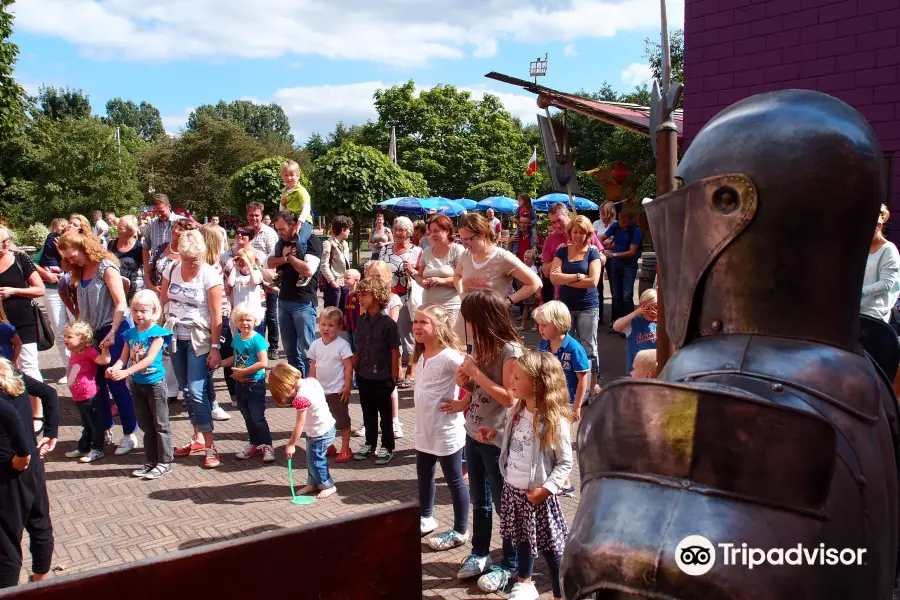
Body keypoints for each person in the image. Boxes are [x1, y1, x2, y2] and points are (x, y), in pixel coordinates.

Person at [479, 351, 573, 600]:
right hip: (513, 489)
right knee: (521, 539)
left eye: (517, 378)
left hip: (538, 496)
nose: (511, 382)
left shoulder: (554, 421)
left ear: (538, 385)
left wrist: (547, 489)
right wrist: (495, 436)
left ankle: (560, 593)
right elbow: (514, 445)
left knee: (551, 548)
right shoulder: (516, 412)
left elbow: (565, 463)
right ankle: (525, 582)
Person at [449, 289, 520, 591]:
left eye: (469, 319)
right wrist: (462, 381)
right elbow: (474, 386)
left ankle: (510, 562)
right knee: (480, 500)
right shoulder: (480, 344)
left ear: (483, 319)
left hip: (496, 439)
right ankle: (480, 552)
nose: (467, 325)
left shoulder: (511, 351)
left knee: (504, 504)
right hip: (473, 431)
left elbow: (510, 398)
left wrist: (475, 374)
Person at [57, 229, 138, 455]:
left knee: (117, 383)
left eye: (73, 255)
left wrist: (112, 332)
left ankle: (130, 433)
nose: (71, 260)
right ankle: (103, 430)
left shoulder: (106, 266)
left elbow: (121, 303)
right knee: (97, 385)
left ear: (84, 248)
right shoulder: (79, 270)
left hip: (113, 328)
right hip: (92, 333)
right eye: (67, 258)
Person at [161, 230, 224, 469]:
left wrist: (216, 347)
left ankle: (210, 445)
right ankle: (197, 437)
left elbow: (217, 313)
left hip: (199, 339)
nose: (191, 263)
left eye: (195, 258)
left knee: (197, 391)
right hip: (175, 336)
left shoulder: (209, 274)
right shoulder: (171, 269)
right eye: (187, 259)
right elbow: (163, 301)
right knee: (186, 390)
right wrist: (157, 334)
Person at [413, 304, 470, 552]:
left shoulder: (449, 356)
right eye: (415, 322)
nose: (416, 326)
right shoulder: (422, 354)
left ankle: (461, 529)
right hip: (424, 428)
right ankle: (426, 516)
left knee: (454, 478)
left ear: (438, 327)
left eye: (423, 322)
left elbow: (472, 377)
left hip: (446, 429)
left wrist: (462, 403)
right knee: (424, 474)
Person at [106, 290, 174, 480]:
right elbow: (122, 358)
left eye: (143, 311)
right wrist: (114, 368)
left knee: (161, 424)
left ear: (154, 311)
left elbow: (150, 359)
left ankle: (165, 462)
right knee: (146, 425)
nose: (138, 315)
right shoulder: (129, 334)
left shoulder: (158, 334)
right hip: (137, 385)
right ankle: (151, 461)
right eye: (135, 310)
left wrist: (126, 372)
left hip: (155, 384)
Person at [0, 358, 55, 589]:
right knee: (39, 521)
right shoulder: (11, 372)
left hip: (10, 470)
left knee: (5, 540)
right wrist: (51, 432)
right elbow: (49, 393)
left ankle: (9, 592)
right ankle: (40, 580)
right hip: (31, 465)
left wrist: (22, 455)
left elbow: (10, 415)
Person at [454, 213, 542, 339]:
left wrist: (507, 302)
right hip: (465, 322)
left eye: (468, 239)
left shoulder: (503, 257)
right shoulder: (466, 255)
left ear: (483, 234)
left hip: (491, 324)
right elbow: (457, 275)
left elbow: (534, 282)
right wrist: (462, 295)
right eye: (462, 239)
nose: (465, 244)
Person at [549, 215, 603, 393]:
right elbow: (552, 276)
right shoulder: (562, 251)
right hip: (565, 307)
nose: (578, 235)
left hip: (588, 306)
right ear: (570, 232)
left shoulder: (593, 252)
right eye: (575, 231)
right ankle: (566, 386)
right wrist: (579, 276)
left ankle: (589, 388)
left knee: (589, 348)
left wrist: (565, 279)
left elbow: (593, 281)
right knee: (563, 345)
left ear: (588, 233)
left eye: (582, 232)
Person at [0, 227, 47, 433]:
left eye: (7, 241)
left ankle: (37, 413)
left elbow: (40, 289)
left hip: (23, 322)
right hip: (2, 326)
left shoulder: (21, 259)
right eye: (1, 242)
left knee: (28, 366)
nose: (5, 245)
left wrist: (14, 291)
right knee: (4, 368)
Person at [269, 210, 323, 376]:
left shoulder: (312, 241)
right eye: (277, 230)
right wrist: (285, 258)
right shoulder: (281, 243)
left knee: (308, 351)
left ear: (293, 225)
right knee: (291, 352)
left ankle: (311, 385)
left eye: (282, 229)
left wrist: (290, 258)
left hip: (303, 302)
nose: (279, 233)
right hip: (283, 301)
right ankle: (297, 384)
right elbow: (270, 262)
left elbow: (307, 270)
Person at [353, 277, 400, 465]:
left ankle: (387, 446)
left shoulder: (389, 324)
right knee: (367, 413)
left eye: (365, 295)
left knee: (385, 415)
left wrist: (394, 376)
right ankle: (369, 443)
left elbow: (395, 352)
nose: (360, 298)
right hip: (364, 375)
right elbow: (359, 347)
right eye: (359, 294)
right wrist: (353, 368)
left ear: (377, 296)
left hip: (383, 377)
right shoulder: (361, 321)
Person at [273, 364, 337, 500]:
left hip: (320, 432)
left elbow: (299, 424)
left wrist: (291, 444)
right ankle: (313, 483)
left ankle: (328, 485)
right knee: (310, 459)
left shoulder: (301, 398)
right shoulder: (311, 381)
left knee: (316, 462)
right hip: (320, 428)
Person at [220, 301, 272, 463]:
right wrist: (220, 363)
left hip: (255, 385)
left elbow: (264, 363)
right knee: (248, 418)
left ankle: (267, 446)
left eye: (248, 320)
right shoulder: (236, 339)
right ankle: (254, 444)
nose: (245, 323)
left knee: (258, 417)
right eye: (241, 320)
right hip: (240, 385)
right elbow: (235, 358)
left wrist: (243, 372)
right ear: (236, 321)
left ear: (255, 321)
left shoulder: (258, 340)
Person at [379, 216, 423, 387]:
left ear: (409, 233)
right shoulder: (385, 249)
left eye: (402, 230)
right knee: (391, 336)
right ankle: (397, 371)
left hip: (407, 299)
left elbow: (421, 275)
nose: (398, 232)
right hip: (387, 298)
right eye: (396, 229)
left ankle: (412, 371)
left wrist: (412, 271)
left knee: (408, 336)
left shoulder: (417, 251)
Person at [60, 320, 112, 463]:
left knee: (95, 424)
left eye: (69, 337)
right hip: (78, 396)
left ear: (82, 339)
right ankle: (83, 447)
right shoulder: (74, 352)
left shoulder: (88, 352)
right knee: (86, 423)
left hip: (88, 395)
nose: (65, 339)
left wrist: (105, 348)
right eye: (65, 336)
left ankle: (98, 449)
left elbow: (104, 360)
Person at [308, 307, 353, 463]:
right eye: (323, 324)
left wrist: (347, 386)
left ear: (340, 327)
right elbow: (313, 365)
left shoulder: (342, 345)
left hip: (337, 390)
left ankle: (345, 448)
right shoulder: (315, 344)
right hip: (321, 391)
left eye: (331, 325)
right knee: (324, 421)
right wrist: (310, 384)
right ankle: (329, 445)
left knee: (342, 421)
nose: (326, 328)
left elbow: (348, 367)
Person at [534, 301, 589, 423]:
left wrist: (577, 406)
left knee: (562, 438)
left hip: (566, 404)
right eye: (539, 324)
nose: (540, 329)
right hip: (546, 400)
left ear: (559, 324)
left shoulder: (574, 348)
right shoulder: (542, 346)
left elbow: (582, 379)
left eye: (544, 325)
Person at [541, 203, 602, 303]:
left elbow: (603, 258)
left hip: (587, 297)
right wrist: (560, 256)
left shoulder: (585, 232)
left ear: (568, 215)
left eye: (559, 220)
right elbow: (546, 271)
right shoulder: (550, 240)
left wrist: (595, 255)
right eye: (553, 222)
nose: (557, 225)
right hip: (563, 296)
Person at [413, 215, 464, 328]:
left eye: (436, 231)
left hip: (450, 306)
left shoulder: (457, 250)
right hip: (428, 308)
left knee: (449, 342)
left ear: (447, 231)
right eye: (431, 231)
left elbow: (463, 278)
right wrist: (422, 282)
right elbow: (419, 275)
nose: (433, 234)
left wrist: (442, 281)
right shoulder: (426, 251)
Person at [246, 202, 281, 360]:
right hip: (250, 281)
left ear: (261, 215)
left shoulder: (269, 233)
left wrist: (270, 279)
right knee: (254, 315)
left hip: (267, 279)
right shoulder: (245, 232)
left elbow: (273, 258)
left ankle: (273, 346)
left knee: (271, 315)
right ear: (247, 215)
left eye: (257, 215)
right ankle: (257, 346)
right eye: (251, 215)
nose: (254, 218)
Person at [599, 205, 642, 326]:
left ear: (630, 221)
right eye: (620, 222)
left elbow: (632, 252)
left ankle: (629, 323)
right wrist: (602, 248)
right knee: (616, 294)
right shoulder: (615, 226)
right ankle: (616, 322)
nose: (622, 225)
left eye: (625, 223)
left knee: (627, 295)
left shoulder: (635, 230)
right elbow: (602, 238)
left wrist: (614, 254)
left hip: (629, 265)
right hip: (616, 264)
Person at [38, 218, 71, 375]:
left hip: (73, 291)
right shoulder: (49, 243)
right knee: (59, 331)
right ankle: (69, 368)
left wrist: (62, 252)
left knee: (79, 329)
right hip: (53, 290)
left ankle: (82, 367)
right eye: (57, 230)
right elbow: (32, 263)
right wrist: (46, 274)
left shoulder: (74, 245)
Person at [861, 204, 900, 322]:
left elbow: (886, 283)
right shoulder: (859, 248)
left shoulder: (888, 250)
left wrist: (858, 291)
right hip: (852, 310)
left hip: (874, 314)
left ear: (880, 225)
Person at [141, 193, 185, 294]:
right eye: (155, 212)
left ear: (169, 207)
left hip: (178, 275)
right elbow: (145, 247)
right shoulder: (152, 224)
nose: (159, 215)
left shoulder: (182, 223)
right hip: (156, 277)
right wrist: (147, 272)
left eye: (161, 211)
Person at [613, 288, 658, 375]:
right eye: (647, 308)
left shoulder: (663, 323)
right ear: (640, 305)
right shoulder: (634, 322)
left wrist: (660, 318)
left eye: (655, 308)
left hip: (656, 369)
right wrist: (635, 313)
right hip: (636, 371)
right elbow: (616, 327)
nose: (651, 312)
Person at [107, 214, 144, 301]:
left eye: (120, 228)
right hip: (113, 291)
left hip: (133, 294)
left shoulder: (140, 248)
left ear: (130, 231)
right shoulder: (111, 244)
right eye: (117, 227)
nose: (117, 229)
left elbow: (145, 271)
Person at [592, 201, 616, 324]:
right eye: (600, 210)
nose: (601, 212)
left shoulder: (616, 224)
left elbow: (617, 243)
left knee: (614, 286)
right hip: (599, 256)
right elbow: (594, 241)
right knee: (598, 285)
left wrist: (605, 244)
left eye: (603, 210)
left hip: (612, 257)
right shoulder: (596, 223)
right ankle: (598, 315)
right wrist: (606, 244)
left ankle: (614, 317)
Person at [321, 216, 352, 309]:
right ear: (342, 230)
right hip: (334, 285)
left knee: (344, 313)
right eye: (348, 229)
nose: (349, 232)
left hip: (345, 283)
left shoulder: (345, 244)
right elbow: (323, 265)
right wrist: (332, 281)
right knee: (332, 314)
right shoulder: (328, 243)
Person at [518, 249, 540, 331]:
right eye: (525, 257)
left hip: (532, 290)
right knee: (526, 307)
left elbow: (536, 280)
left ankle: (535, 324)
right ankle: (523, 324)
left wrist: (537, 292)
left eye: (528, 258)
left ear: (533, 260)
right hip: (526, 289)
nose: (526, 259)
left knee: (534, 308)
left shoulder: (533, 268)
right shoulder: (523, 267)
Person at [343, 269, 361, 353]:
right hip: (349, 324)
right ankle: (353, 361)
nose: (345, 280)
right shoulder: (347, 293)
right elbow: (346, 309)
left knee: (357, 343)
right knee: (350, 344)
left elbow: (362, 310)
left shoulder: (359, 294)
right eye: (344, 278)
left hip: (356, 324)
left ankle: (359, 362)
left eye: (348, 278)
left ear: (356, 279)